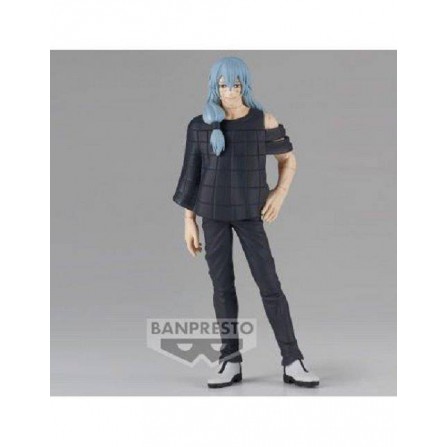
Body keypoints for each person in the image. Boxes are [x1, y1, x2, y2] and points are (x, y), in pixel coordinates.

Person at [173, 56, 319, 388]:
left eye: (235, 85)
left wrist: (279, 194)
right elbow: (191, 175)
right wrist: (188, 220)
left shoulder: (262, 121)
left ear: (245, 86)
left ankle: (292, 359)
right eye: (223, 85)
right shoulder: (199, 126)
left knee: (270, 285)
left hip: (250, 213)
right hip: (212, 214)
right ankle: (230, 360)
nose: (229, 91)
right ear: (214, 86)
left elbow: (288, 160)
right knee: (222, 287)